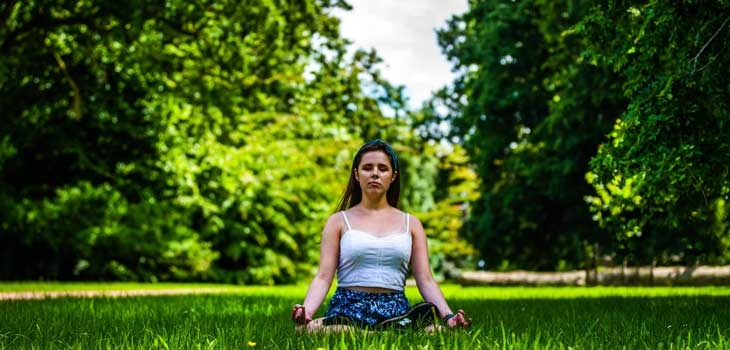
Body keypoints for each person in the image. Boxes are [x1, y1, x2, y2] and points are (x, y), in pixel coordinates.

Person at [291, 139, 471, 332]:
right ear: (357, 174)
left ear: (392, 176)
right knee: (305, 330)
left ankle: (377, 333)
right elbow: (323, 277)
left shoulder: (411, 224)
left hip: (396, 312)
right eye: (367, 168)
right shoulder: (338, 221)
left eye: (382, 169)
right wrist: (306, 311)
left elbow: (425, 279)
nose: (375, 173)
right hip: (348, 310)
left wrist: (449, 317)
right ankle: (384, 334)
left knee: (438, 333)